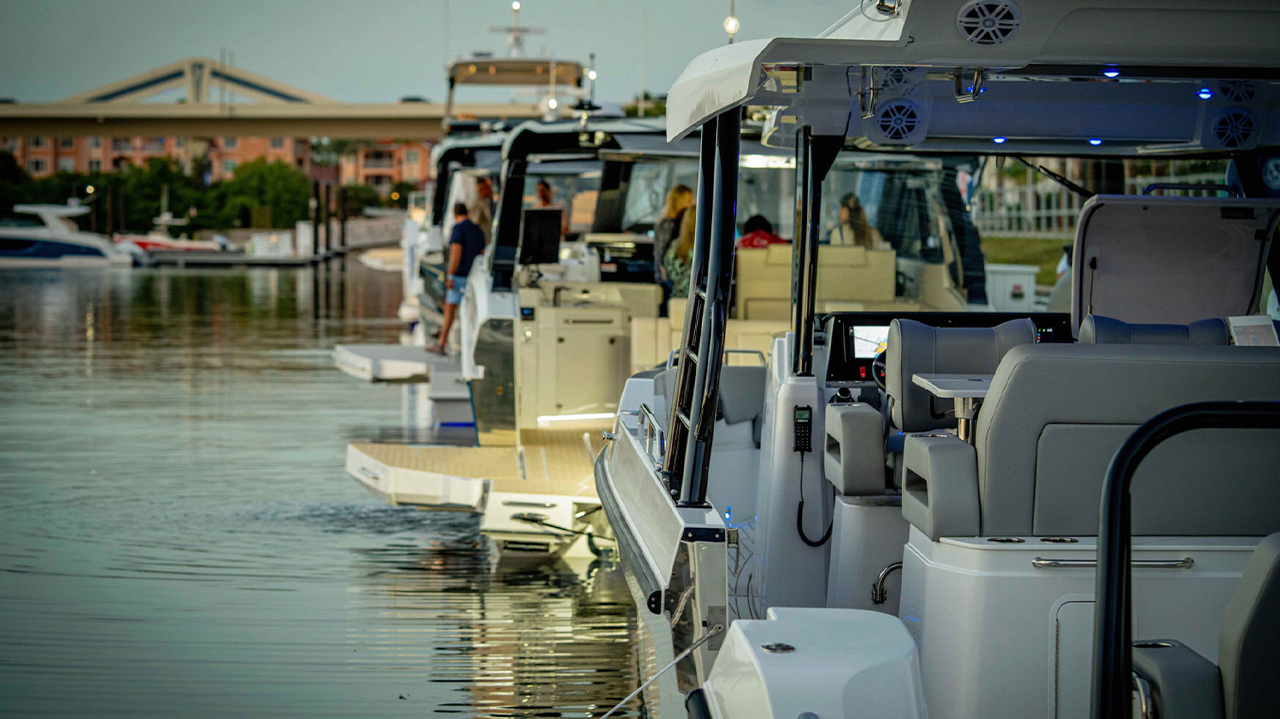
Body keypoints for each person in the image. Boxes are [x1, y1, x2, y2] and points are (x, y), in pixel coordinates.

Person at [431, 202, 486, 354]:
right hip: (474, 277)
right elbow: (482, 253)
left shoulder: (458, 229)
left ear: (455, 215)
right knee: (471, 312)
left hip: (459, 275)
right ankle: (471, 348)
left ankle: (441, 344)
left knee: (449, 309)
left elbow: (456, 253)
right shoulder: (477, 230)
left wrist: (450, 275)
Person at [653, 185, 694, 282]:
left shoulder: (661, 223)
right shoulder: (674, 225)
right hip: (670, 279)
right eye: (689, 201)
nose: (692, 204)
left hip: (662, 277)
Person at [663, 206, 697, 297]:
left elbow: (667, 273)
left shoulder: (675, 246)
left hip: (677, 298)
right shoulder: (708, 249)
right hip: (700, 301)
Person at [469, 177, 494, 244]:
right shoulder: (478, 204)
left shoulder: (487, 202)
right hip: (482, 242)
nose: (491, 190)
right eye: (488, 188)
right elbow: (474, 223)